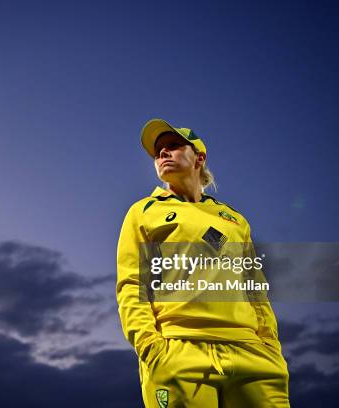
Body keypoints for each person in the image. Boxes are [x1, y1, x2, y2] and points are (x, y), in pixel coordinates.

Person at [116, 119, 290, 407]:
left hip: (252, 354)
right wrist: (152, 348)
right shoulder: (144, 212)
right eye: (158, 151)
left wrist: (270, 345)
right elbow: (132, 284)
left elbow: (255, 288)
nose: (163, 154)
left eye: (173, 146)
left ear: (199, 157)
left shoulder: (234, 219)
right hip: (180, 350)